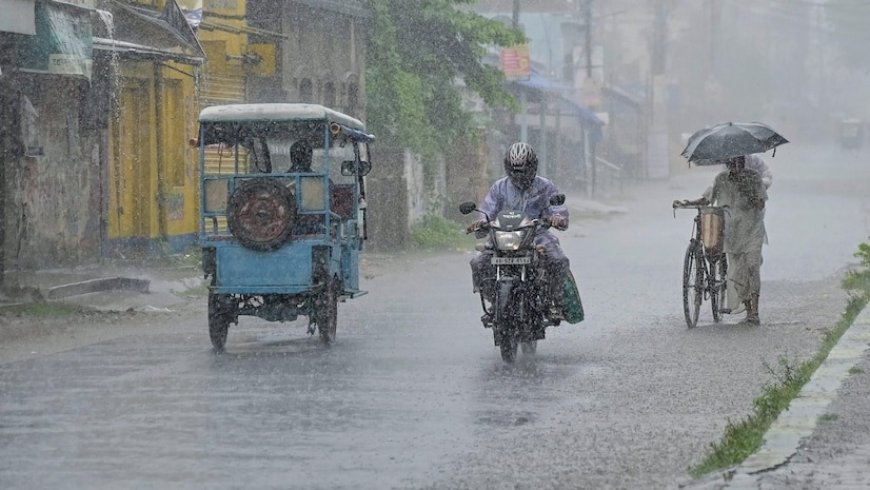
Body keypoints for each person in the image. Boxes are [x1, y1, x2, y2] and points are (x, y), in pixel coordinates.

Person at [468, 142, 570, 322]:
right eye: (515, 170)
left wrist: (557, 218)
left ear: (533, 166)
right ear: (508, 167)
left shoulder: (545, 187)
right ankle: (495, 300)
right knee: (479, 262)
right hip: (503, 235)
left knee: (559, 260)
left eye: (523, 170)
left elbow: (558, 209)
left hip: (537, 235)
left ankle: (554, 302)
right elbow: (487, 210)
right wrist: (481, 222)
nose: (519, 175)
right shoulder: (499, 187)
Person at [674, 155, 768, 324]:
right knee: (738, 272)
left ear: (743, 162)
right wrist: (687, 203)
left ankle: (755, 311)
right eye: (731, 162)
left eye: (738, 162)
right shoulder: (721, 179)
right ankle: (748, 309)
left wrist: (750, 194)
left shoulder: (753, 177)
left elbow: (761, 203)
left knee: (752, 266)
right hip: (733, 232)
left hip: (753, 229)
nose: (735, 166)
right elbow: (708, 198)